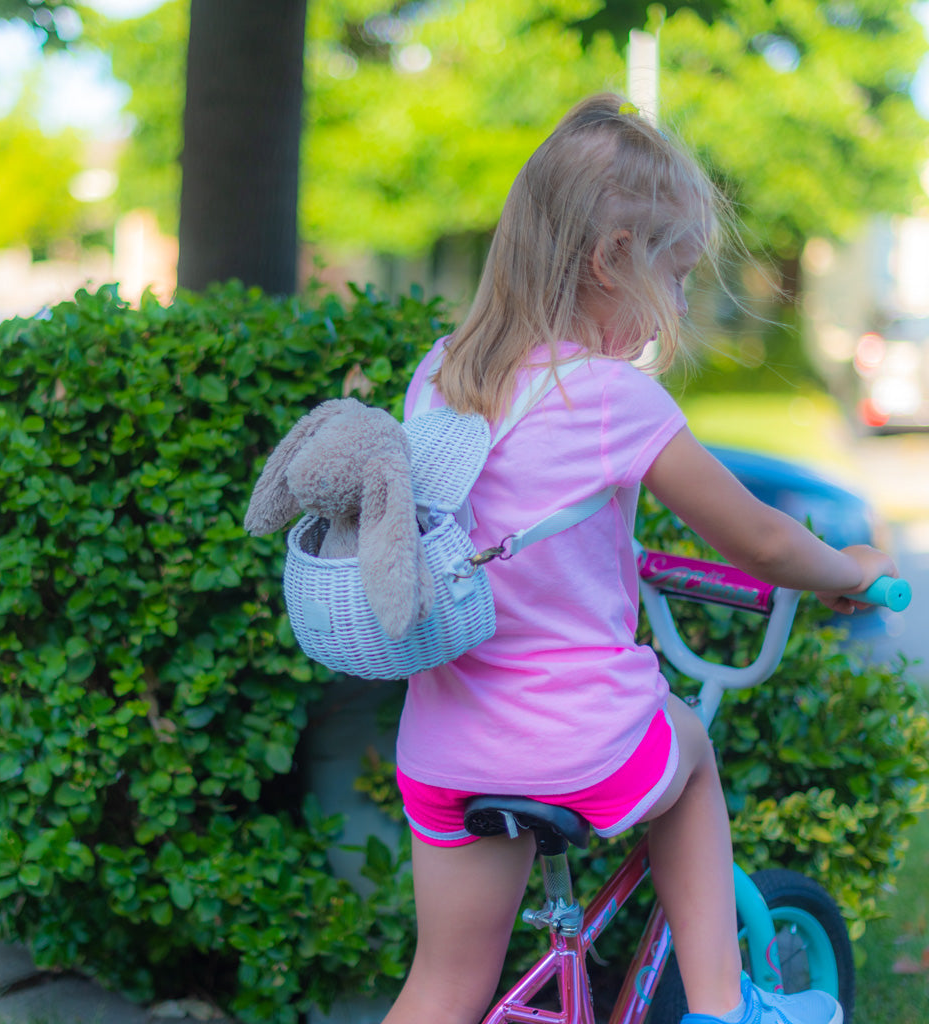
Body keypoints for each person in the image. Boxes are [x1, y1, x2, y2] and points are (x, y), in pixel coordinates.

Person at [384, 93, 895, 1024]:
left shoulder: (443, 372)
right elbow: (762, 540)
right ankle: (720, 1009)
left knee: (446, 984)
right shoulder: (612, 398)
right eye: (680, 273)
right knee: (690, 753)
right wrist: (853, 570)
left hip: (447, 746)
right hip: (576, 745)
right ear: (613, 261)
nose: (685, 301)